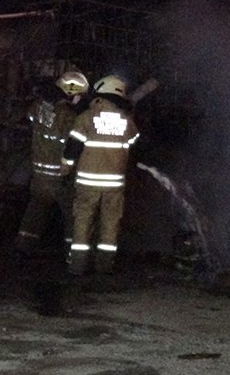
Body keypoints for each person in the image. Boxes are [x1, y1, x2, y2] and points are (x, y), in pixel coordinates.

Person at [62, 74, 139, 275]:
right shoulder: (128, 122)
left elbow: (72, 149)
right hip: (115, 186)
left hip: (88, 183)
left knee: (83, 222)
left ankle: (77, 267)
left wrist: (66, 168)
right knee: (110, 224)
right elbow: (133, 145)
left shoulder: (86, 118)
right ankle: (104, 267)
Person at [15, 70, 89, 256]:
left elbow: (31, 118)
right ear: (72, 94)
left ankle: (23, 247)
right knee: (71, 215)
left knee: (36, 210)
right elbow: (75, 140)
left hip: (39, 173)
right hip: (60, 176)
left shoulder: (39, 105)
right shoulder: (68, 116)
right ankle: (72, 253)